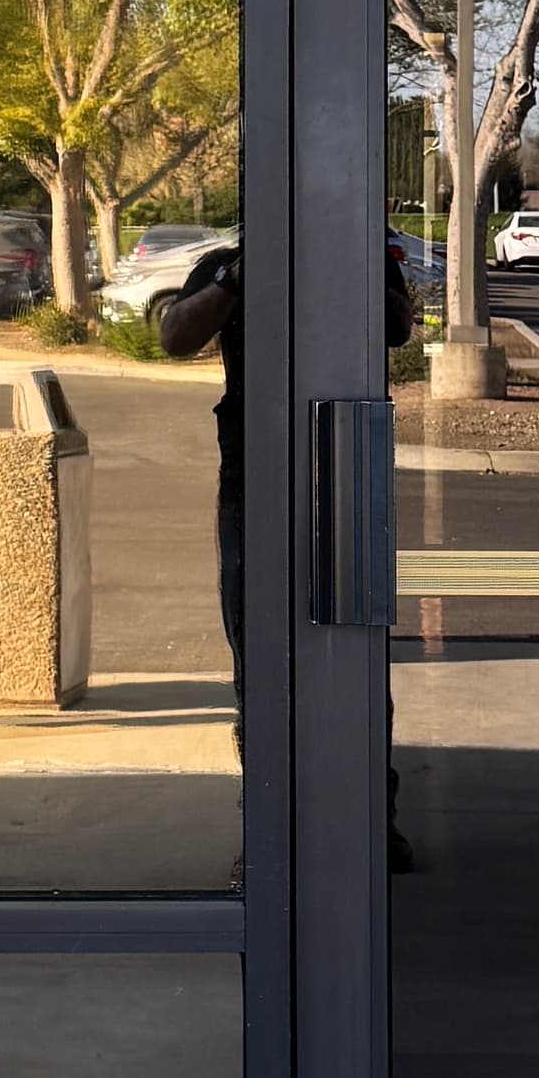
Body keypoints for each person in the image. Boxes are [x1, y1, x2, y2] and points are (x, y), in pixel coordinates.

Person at [152, 230, 420, 749]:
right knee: (258, 644)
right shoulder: (227, 267)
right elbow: (174, 337)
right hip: (253, 482)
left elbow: (397, 327)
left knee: (354, 656)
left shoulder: (360, 258)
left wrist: (352, 264)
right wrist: (237, 281)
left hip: (345, 476)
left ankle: (370, 811)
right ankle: (268, 804)